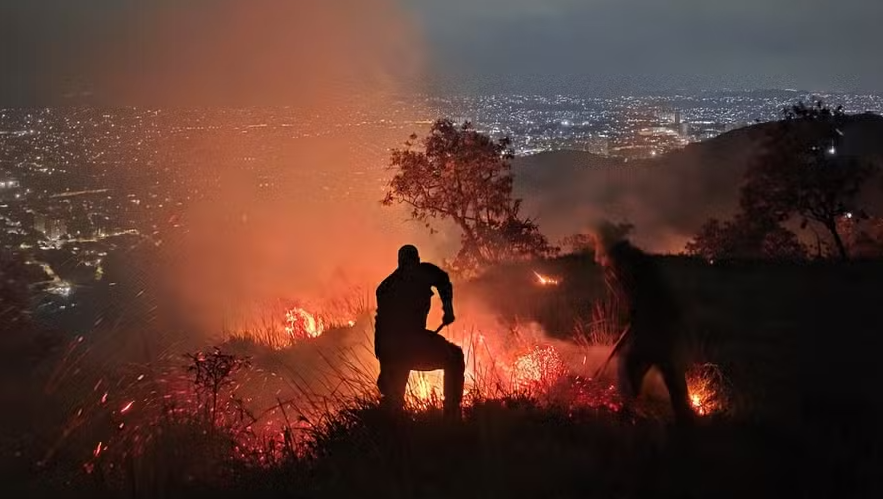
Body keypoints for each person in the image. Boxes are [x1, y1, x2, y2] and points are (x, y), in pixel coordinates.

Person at [593, 225, 695, 426]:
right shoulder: (634, 258)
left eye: (601, 252)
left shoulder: (625, 264)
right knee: (672, 376)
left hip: (656, 326)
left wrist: (634, 322)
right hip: (666, 326)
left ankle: (630, 420)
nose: (600, 259)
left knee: (629, 367)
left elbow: (641, 303)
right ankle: (686, 425)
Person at [374, 244, 465, 419]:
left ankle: (390, 431)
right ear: (416, 260)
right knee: (455, 357)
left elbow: (381, 324)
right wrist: (448, 308)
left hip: (390, 348)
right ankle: (451, 414)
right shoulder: (421, 272)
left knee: (393, 399)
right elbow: (443, 280)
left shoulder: (385, 286)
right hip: (412, 343)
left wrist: (383, 360)